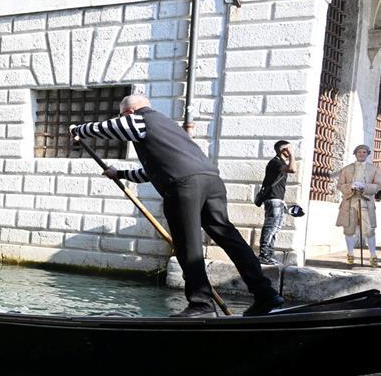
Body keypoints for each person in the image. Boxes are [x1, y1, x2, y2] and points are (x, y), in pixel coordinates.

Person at [71, 93, 284, 317]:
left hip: (184, 187)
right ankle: (266, 295)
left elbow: (117, 126)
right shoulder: (168, 127)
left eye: (123, 115)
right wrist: (121, 173)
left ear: (129, 112)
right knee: (231, 240)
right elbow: (155, 170)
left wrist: (79, 130)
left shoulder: (141, 118)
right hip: (211, 182)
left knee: (187, 246)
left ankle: (201, 304)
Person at [336, 144, 381, 267]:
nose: (362, 154)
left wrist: (365, 187)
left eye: (364, 152)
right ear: (355, 154)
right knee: (348, 229)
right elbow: (339, 185)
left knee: (369, 230)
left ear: (367, 154)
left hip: (366, 202)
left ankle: (373, 256)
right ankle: (350, 254)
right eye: (359, 152)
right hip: (349, 202)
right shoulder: (346, 169)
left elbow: (378, 185)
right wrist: (350, 186)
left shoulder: (375, 169)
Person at [255, 140, 297, 264]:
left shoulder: (280, 162)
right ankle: (264, 255)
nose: (291, 150)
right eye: (289, 148)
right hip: (273, 200)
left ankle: (268, 255)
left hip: (277, 200)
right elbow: (293, 169)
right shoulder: (275, 162)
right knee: (271, 227)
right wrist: (292, 154)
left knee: (275, 228)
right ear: (283, 150)